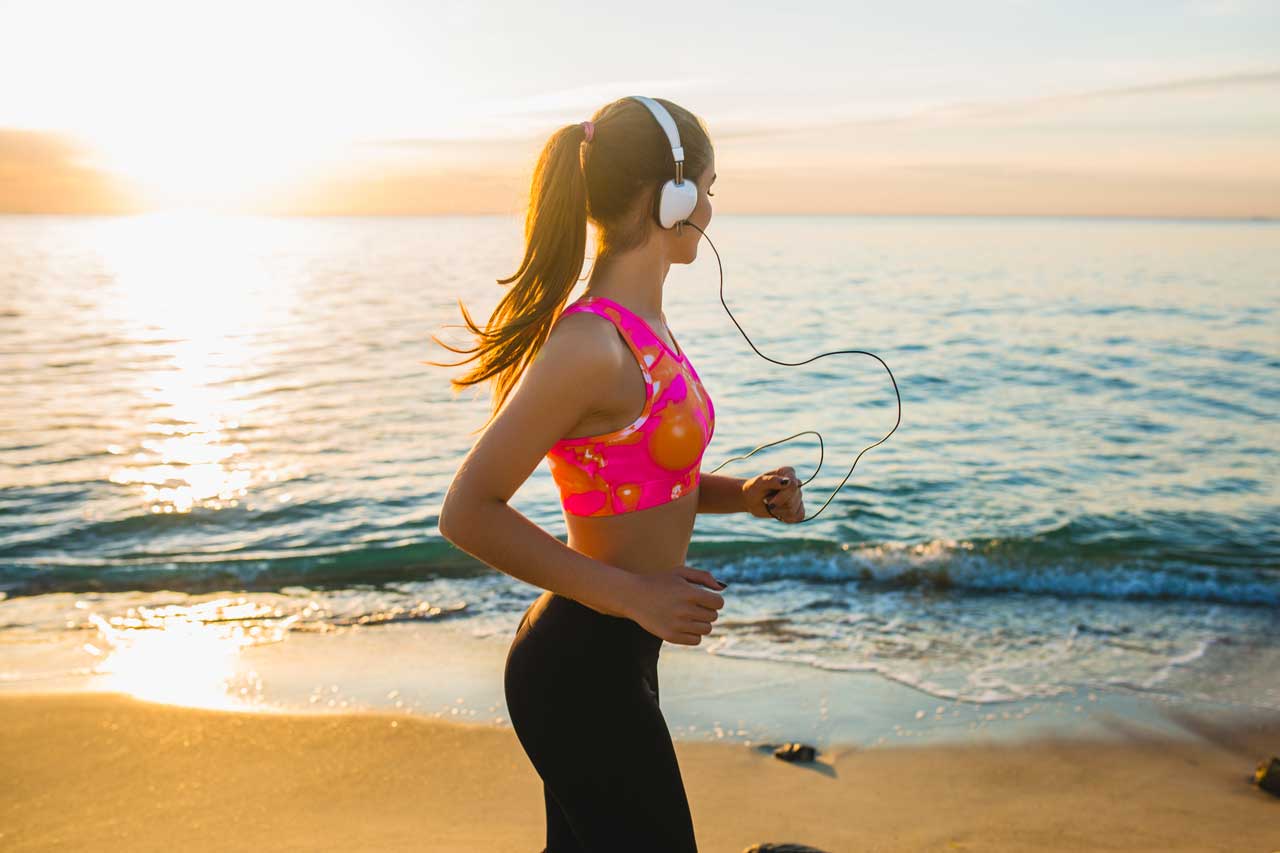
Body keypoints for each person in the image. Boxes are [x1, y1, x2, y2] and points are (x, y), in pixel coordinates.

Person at [432, 96, 805, 853]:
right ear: (668, 196)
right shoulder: (591, 345)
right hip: (576, 668)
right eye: (707, 186)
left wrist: (750, 497)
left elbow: (650, 485)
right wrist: (637, 595)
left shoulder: (648, 329)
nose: (709, 206)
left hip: (618, 656)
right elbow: (468, 511)